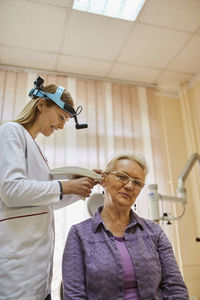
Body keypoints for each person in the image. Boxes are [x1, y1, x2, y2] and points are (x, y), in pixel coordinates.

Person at [0, 76, 98, 300]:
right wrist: (67, 185)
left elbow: (45, 199)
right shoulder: (11, 132)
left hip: (35, 272)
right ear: (42, 105)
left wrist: (81, 185)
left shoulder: (36, 150)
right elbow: (12, 191)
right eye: (62, 117)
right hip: (15, 272)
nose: (63, 126)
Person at [62, 152, 189, 300]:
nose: (129, 186)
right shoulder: (79, 234)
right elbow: (74, 295)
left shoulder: (154, 232)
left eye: (137, 182)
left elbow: (175, 288)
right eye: (122, 176)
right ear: (103, 180)